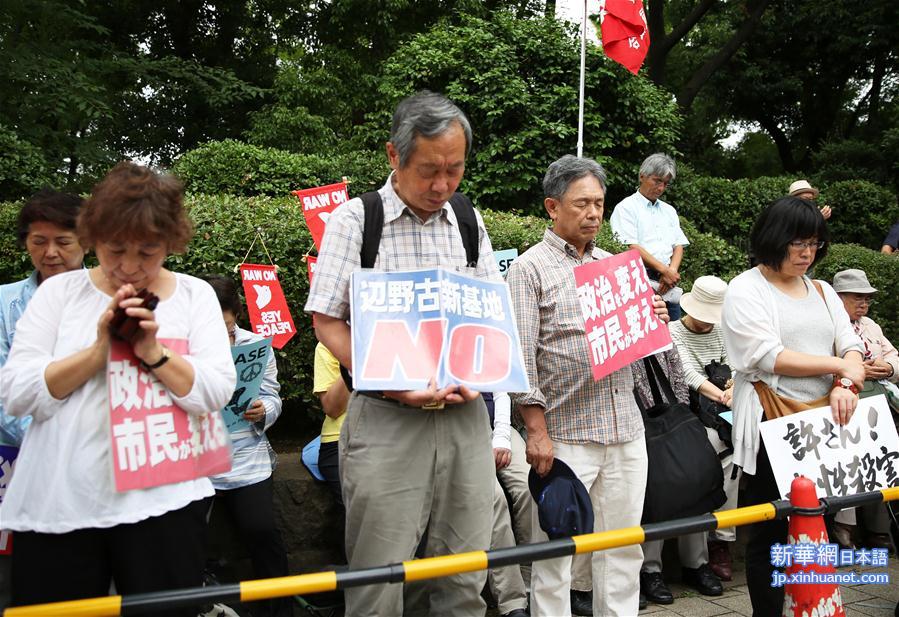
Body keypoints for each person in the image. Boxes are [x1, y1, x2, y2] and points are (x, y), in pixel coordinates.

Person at [0, 162, 236, 613]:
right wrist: (96, 351)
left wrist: (152, 351)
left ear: (171, 242)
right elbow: (17, 391)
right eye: (114, 250)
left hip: (165, 503)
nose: (129, 267)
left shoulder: (194, 296)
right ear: (93, 240)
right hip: (61, 503)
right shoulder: (59, 295)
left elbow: (215, 391)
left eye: (148, 252)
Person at [305, 91, 500, 616]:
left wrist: (479, 378)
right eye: (428, 170)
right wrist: (391, 382)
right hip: (387, 418)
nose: (442, 185)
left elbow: (486, 315)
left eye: (454, 170)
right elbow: (326, 321)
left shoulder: (466, 218)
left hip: (463, 417)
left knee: (463, 572)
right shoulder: (355, 221)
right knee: (379, 576)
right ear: (394, 156)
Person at [507, 154, 669, 617]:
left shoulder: (619, 267)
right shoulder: (528, 270)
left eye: (599, 203)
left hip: (625, 430)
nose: (594, 213)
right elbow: (521, 359)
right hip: (565, 435)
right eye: (582, 204)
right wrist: (535, 432)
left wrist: (653, 320)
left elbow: (646, 354)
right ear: (552, 207)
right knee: (556, 552)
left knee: (622, 550)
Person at [721, 196, 864, 616]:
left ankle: (815, 603)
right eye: (798, 244)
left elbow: (851, 344)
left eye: (815, 244)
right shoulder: (746, 288)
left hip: (826, 422)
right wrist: (839, 365)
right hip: (773, 421)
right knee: (770, 526)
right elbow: (769, 355)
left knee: (819, 520)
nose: (807, 253)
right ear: (773, 239)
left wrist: (844, 380)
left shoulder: (820, 290)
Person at [0, 189, 86, 609]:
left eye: (63, 242)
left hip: (93, 466)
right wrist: (51, 435)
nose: (50, 253)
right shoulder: (4, 303)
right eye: (38, 241)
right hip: (16, 463)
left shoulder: (113, 297)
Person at [202, 275, 291, 617]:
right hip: (199, 460)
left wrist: (263, 410)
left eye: (227, 329)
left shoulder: (255, 345)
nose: (222, 339)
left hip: (246, 456)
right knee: (186, 538)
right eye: (213, 330)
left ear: (236, 315)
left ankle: (280, 610)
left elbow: (272, 396)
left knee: (262, 531)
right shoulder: (178, 350)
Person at [632, 348, 724, 605]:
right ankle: (650, 570)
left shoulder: (658, 327)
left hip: (671, 414)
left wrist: (676, 412)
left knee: (692, 475)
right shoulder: (611, 328)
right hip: (635, 425)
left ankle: (697, 564)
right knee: (655, 486)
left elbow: (679, 378)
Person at [669, 275, 741, 581]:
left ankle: (722, 540)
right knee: (716, 448)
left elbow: (736, 363)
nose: (707, 322)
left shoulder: (723, 330)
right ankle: (710, 542)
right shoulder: (674, 331)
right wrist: (721, 393)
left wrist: (735, 387)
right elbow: (686, 372)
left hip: (726, 406)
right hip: (691, 411)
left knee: (739, 453)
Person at [830, 268, 898, 550]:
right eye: (857, 298)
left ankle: (880, 528)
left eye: (867, 299)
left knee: (889, 450)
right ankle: (845, 524)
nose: (864, 304)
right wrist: (855, 371)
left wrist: (889, 367)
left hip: (882, 398)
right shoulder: (829, 325)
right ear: (838, 298)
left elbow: (894, 355)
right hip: (843, 401)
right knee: (854, 451)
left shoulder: (871, 326)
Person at [610, 153, 689, 319]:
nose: (660, 188)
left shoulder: (669, 210)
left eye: (665, 184)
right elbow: (630, 246)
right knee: (645, 333)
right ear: (642, 176)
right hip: (639, 278)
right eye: (657, 181)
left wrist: (671, 271)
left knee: (672, 332)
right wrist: (665, 271)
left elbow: (679, 245)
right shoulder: (625, 208)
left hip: (669, 281)